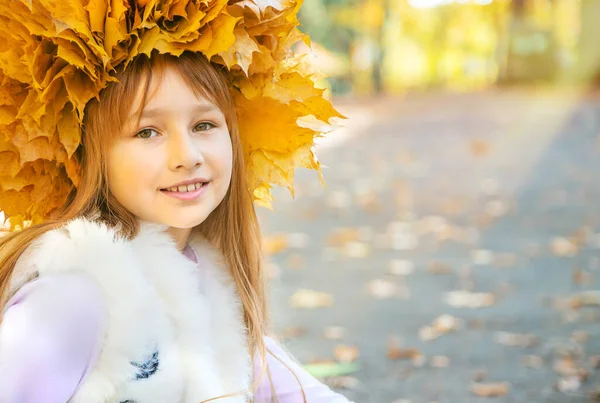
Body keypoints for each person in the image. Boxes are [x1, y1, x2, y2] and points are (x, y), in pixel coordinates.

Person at [0, 1, 349, 402]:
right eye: (148, 132)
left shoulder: (207, 284)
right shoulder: (70, 299)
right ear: (86, 156)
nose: (187, 155)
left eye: (204, 125)